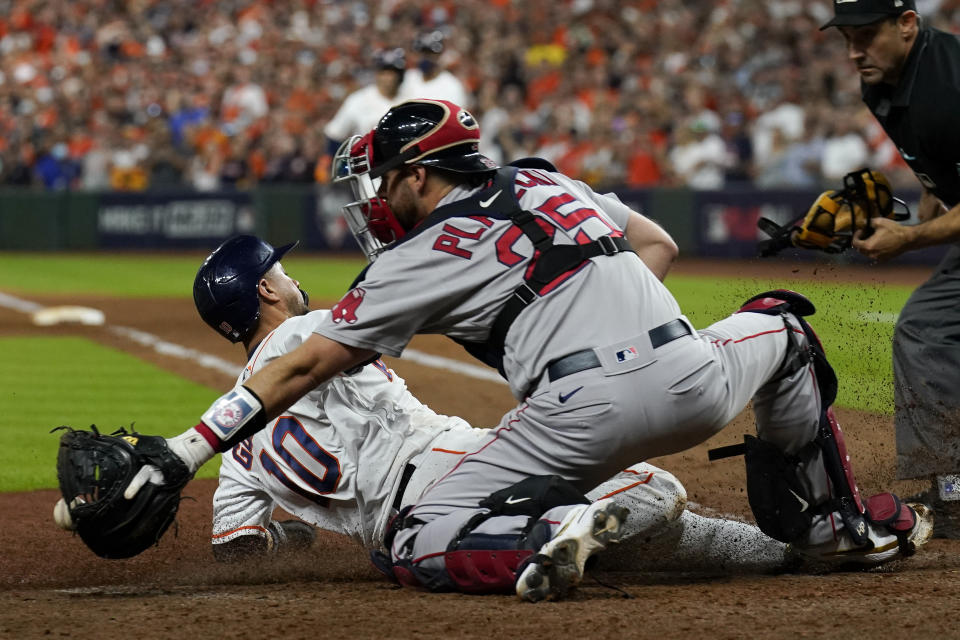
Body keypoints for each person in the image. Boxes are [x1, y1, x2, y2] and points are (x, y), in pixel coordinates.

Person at [130, 100, 930, 603]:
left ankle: (535, 542)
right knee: (785, 327)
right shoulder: (552, 182)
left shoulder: (412, 259)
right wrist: (584, 311)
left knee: (414, 540)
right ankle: (832, 525)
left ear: (416, 177)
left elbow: (302, 368)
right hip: (695, 380)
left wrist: (180, 454)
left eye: (378, 181)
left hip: (576, 417)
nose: (370, 199)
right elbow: (657, 243)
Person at [198, 236, 793, 575]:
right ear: (268, 290)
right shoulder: (308, 334)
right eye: (282, 270)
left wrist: (293, 542)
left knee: (657, 536)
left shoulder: (235, 443)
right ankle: (546, 533)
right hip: (447, 470)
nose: (293, 277)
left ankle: (783, 555)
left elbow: (237, 545)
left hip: (401, 538)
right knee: (653, 489)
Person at [822, 0, 960, 537]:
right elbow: (940, 169)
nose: (854, 50)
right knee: (930, 329)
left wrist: (911, 238)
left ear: (907, 24)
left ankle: (953, 488)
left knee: (926, 330)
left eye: (866, 34)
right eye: (846, 37)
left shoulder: (947, 90)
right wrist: (929, 198)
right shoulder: (882, 81)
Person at [323, 48, 408, 157]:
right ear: (377, 74)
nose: (388, 78)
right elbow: (335, 135)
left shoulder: (409, 100)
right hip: (367, 170)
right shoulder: (358, 100)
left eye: (392, 72)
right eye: (383, 72)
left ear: (400, 75)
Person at [400, 31, 470, 108]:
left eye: (430, 53)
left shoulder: (452, 85)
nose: (425, 57)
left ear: (440, 55)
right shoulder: (407, 77)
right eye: (423, 53)